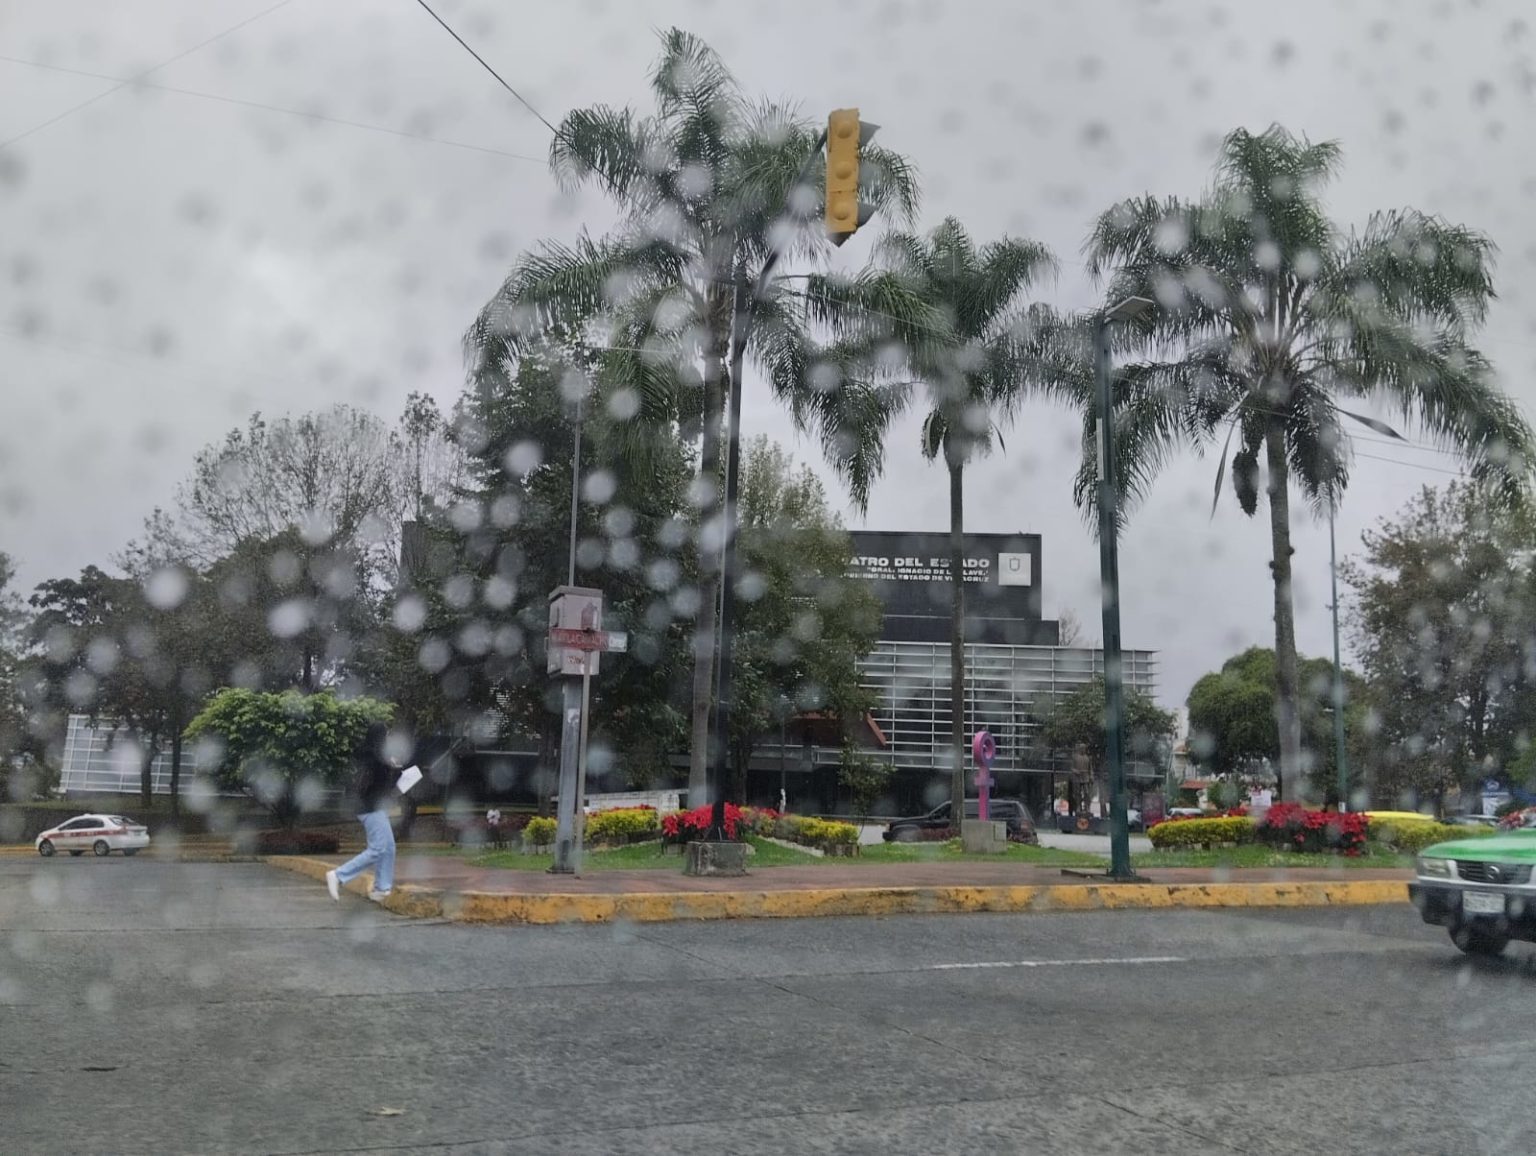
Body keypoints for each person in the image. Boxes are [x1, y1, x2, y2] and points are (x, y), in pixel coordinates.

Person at [326, 722, 399, 903]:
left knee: (388, 847)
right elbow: (379, 787)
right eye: (387, 735)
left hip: (372, 807)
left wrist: (392, 768)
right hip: (370, 807)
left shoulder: (372, 756)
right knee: (378, 848)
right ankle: (338, 875)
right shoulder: (374, 759)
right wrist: (393, 770)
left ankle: (382, 888)